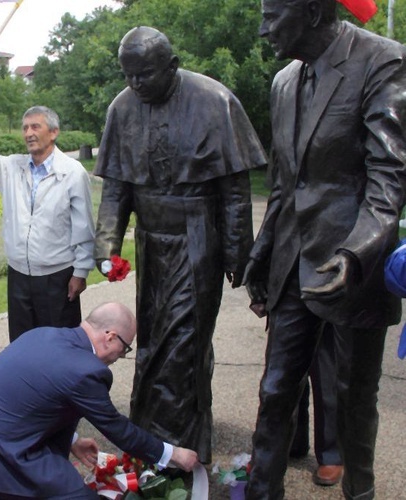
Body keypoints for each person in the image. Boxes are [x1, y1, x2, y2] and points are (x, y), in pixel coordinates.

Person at [243, 1, 406, 498]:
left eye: (273, 15)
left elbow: (389, 177)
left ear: (312, 13)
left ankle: (360, 491)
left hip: (355, 263)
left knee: (354, 398)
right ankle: (260, 491)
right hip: (294, 259)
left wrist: (356, 251)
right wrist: (262, 250)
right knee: (275, 390)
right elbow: (284, 183)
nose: (264, 28)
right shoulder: (284, 80)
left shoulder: (383, 60)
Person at [92, 27, 265, 463]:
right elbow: (116, 189)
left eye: (145, 75)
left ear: (171, 66)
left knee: (184, 343)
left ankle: (183, 444)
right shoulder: (122, 108)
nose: (135, 85)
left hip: (196, 238)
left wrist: (236, 254)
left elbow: (234, 192)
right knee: (150, 341)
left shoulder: (214, 101)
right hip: (152, 242)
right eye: (128, 76)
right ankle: (151, 435)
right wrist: (107, 245)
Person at [0, 302, 199, 499]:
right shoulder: (87, 371)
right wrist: (172, 454)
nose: (123, 355)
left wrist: (72, 442)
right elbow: (119, 429)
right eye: (126, 347)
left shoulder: (41, 334)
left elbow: (32, 399)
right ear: (110, 337)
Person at [0, 91, 95, 342]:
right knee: (22, 345)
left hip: (57, 277)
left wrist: (80, 272)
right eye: (25, 128)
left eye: (35, 126)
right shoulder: (11, 168)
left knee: (59, 345)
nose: (28, 133)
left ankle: (57, 384)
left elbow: (84, 227)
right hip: (19, 276)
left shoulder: (73, 173)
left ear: (54, 132)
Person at [290, 324, 342, 487]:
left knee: (325, 369)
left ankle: (330, 453)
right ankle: (293, 438)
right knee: (287, 368)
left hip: (328, 303)